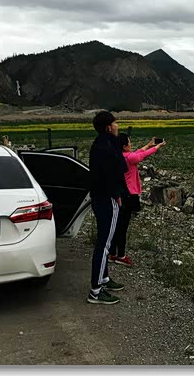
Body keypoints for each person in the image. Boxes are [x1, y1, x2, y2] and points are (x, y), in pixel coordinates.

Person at [86, 111, 129, 305]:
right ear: (108, 127)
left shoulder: (101, 143)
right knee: (104, 245)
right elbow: (114, 172)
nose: (117, 126)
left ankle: (103, 278)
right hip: (107, 199)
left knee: (103, 241)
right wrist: (117, 195)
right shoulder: (106, 148)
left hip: (100, 197)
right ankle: (96, 291)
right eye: (115, 123)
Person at [109, 134, 166, 266]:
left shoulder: (120, 156)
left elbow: (137, 153)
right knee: (123, 227)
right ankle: (121, 255)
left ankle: (112, 253)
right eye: (129, 142)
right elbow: (142, 155)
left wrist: (149, 144)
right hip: (129, 194)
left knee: (117, 225)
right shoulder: (129, 158)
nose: (131, 144)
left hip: (121, 194)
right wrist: (157, 146)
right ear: (124, 146)